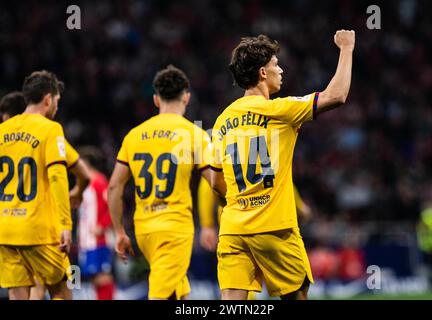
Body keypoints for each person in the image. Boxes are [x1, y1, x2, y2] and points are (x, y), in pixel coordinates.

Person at [210, 31, 355, 300]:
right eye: (276, 64)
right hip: (274, 228)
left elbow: (215, 183)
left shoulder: (222, 121)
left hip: (233, 230)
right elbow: (337, 95)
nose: (281, 69)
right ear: (263, 73)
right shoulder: (280, 110)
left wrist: (239, 206)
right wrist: (347, 48)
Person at [108, 65, 222, 300]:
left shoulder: (134, 135)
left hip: (144, 230)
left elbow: (114, 186)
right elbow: (214, 182)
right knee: (160, 295)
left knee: (178, 293)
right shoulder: (195, 135)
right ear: (187, 97)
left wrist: (119, 231)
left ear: (156, 99)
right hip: (174, 228)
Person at [0, 90, 91, 299]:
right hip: (41, 230)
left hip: (7, 229)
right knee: (57, 288)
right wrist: (77, 192)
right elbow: (81, 173)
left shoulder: (3, 133)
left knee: (19, 292)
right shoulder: (48, 133)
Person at [77, 146, 115, 300]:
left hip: (98, 239)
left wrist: (103, 225)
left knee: (102, 276)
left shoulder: (99, 182)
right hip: (86, 240)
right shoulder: (83, 184)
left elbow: (112, 205)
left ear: (86, 164)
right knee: (93, 277)